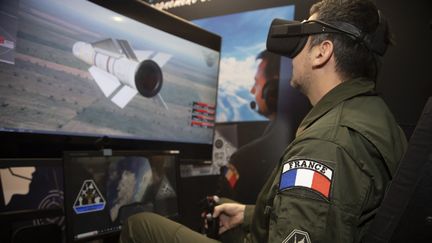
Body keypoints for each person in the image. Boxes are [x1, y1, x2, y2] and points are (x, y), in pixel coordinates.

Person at [119, 0, 407, 242]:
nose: (293, 55)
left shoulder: (324, 145)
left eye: (302, 40)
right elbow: (334, 213)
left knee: (139, 224)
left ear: (322, 51)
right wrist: (248, 214)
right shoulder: (378, 118)